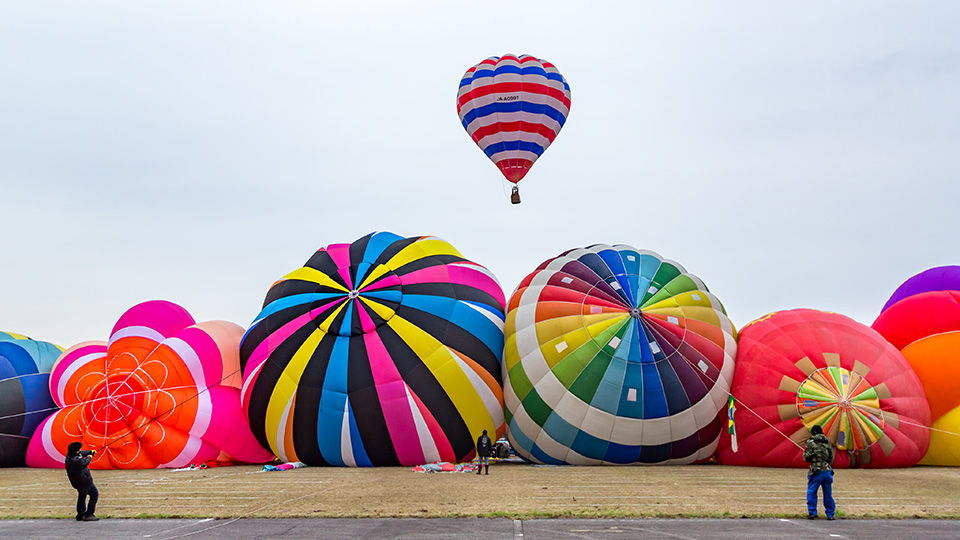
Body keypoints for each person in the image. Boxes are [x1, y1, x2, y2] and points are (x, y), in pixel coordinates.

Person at [802, 425, 835, 520]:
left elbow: (806, 458)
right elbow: (830, 458)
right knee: (828, 493)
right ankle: (830, 514)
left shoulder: (810, 442)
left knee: (812, 491)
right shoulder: (827, 442)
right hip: (827, 470)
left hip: (816, 470)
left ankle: (812, 512)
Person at [65, 442, 99, 522]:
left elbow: (81, 453)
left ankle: (80, 514)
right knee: (94, 494)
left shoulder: (70, 455)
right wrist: (89, 457)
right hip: (83, 481)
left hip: (78, 481)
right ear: (76, 451)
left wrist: (90, 452)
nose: (80, 450)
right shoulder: (75, 460)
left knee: (82, 495)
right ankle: (89, 514)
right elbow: (84, 463)